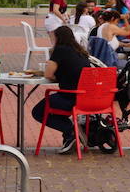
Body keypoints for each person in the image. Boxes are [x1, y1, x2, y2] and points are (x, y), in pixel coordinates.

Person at [31, 26, 93, 154]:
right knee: (55, 106)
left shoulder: (59, 50)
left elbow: (48, 75)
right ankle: (69, 137)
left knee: (37, 112)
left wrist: (54, 73)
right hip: (86, 99)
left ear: (58, 38)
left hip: (70, 97)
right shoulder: (80, 51)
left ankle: (70, 130)